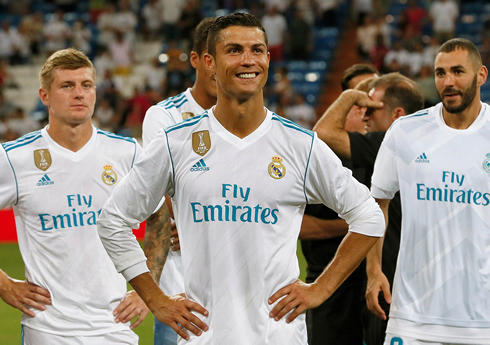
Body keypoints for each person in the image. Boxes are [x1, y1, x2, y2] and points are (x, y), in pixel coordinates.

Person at [97, 12, 385, 344]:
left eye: (257, 50)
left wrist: (321, 288)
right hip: (204, 336)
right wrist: (156, 299)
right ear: (209, 62)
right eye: (234, 50)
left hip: (278, 335)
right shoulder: (175, 143)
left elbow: (369, 216)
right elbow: (112, 221)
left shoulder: (299, 145)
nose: (248, 60)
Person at [0, 48, 148, 344]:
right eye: (67, 86)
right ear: (44, 96)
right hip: (47, 329)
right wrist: (4, 285)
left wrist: (150, 291)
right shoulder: (14, 159)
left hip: (116, 327)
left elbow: (161, 215)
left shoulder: (127, 152)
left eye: (87, 85)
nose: (79, 93)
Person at [366, 38, 490, 344]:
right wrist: (374, 271)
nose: (447, 82)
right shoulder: (406, 131)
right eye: (440, 73)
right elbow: (375, 205)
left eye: (458, 71)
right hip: (412, 317)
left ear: (481, 75)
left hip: (482, 320)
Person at [314, 72, 424, 345]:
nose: (365, 116)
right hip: (415, 284)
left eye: (372, 109)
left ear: (398, 115)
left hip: (391, 289)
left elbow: (322, 134)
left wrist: (351, 95)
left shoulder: (389, 143)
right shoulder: (428, 146)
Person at [142, 17, 217, 345]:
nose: (221, 67)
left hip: (240, 286)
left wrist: (198, 225)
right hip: (179, 285)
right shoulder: (165, 116)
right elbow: (163, 182)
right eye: (212, 57)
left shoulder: (254, 121)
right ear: (196, 59)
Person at [300, 64, 378, 345]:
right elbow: (301, 226)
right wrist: (360, 226)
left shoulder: (385, 151)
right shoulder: (317, 157)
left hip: (377, 282)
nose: (365, 109)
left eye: (372, 101)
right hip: (328, 282)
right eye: (357, 101)